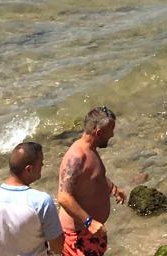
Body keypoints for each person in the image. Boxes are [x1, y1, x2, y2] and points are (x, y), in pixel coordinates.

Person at [56, 107, 136, 256]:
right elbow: (63, 197)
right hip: (78, 236)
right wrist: (89, 222)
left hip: (92, 232)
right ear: (98, 132)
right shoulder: (76, 157)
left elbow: (93, 176)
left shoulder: (90, 150)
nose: (112, 135)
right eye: (110, 131)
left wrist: (112, 187)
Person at [0, 140, 63, 255]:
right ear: (29, 169)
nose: (42, 166)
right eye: (40, 163)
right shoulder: (42, 201)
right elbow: (57, 247)